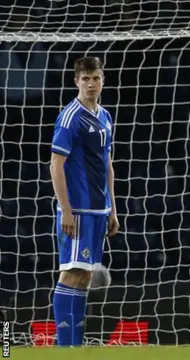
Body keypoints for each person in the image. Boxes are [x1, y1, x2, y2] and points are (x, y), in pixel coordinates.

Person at [50, 56, 119, 347]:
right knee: (71, 274)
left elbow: (108, 164)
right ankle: (66, 347)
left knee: (85, 278)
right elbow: (56, 165)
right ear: (76, 81)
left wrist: (113, 209)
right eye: (86, 78)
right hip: (76, 208)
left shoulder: (105, 115)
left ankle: (75, 346)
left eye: (96, 78)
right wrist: (65, 209)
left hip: (99, 209)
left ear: (103, 80)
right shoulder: (70, 116)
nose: (91, 84)